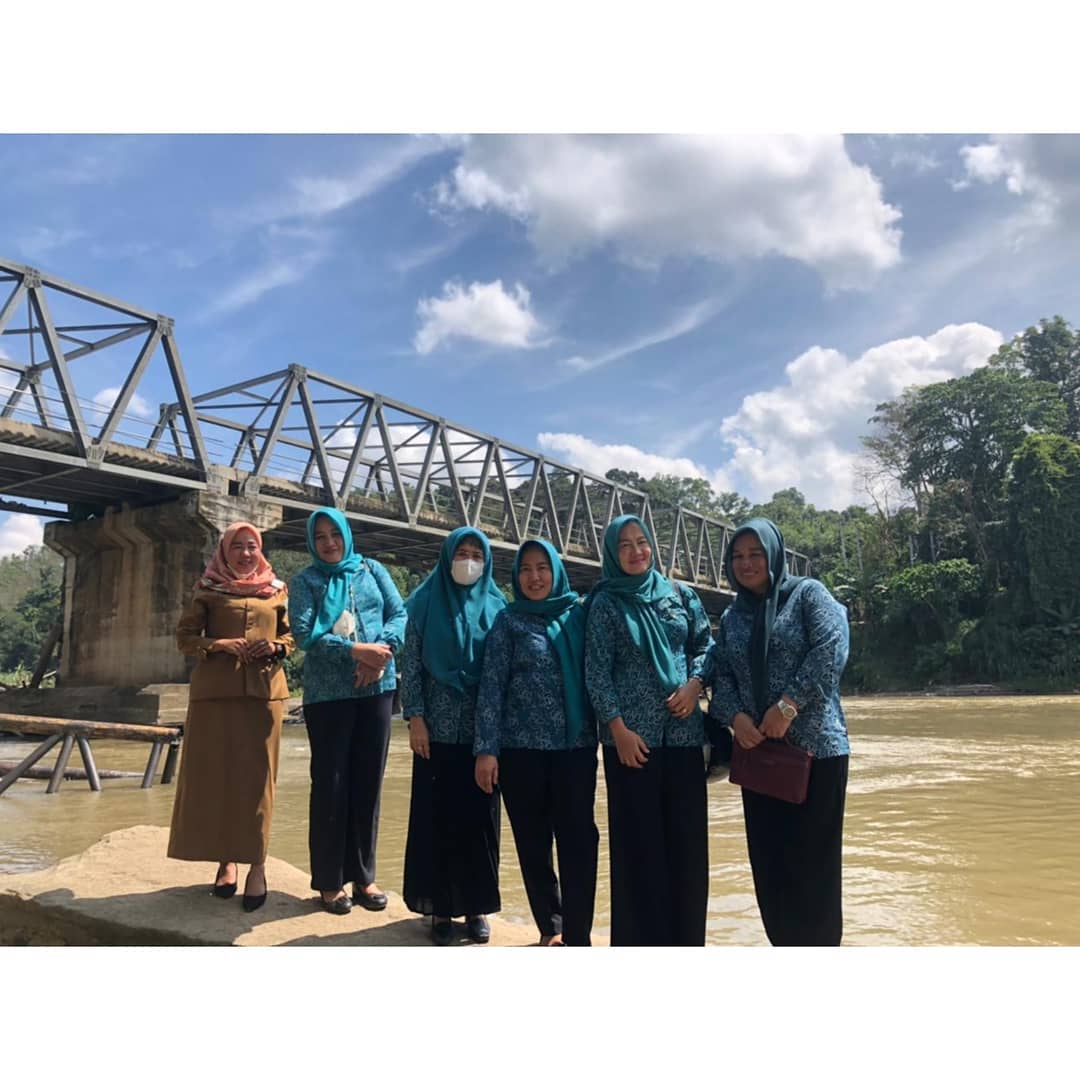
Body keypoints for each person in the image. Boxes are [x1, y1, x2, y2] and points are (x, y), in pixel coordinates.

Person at [709, 517, 850, 946]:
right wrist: (735, 717)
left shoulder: (807, 595)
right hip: (759, 754)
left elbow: (832, 648)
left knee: (814, 867)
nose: (747, 563)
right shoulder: (733, 616)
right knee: (770, 865)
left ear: (774, 555)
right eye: (738, 556)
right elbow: (721, 673)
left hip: (816, 752)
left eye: (756, 554)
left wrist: (788, 706)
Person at [584, 514, 713, 946]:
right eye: (625, 545)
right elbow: (596, 671)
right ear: (612, 553)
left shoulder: (680, 595)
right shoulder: (605, 603)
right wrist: (617, 728)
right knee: (638, 850)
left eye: (642, 542)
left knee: (687, 848)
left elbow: (705, 647)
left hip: (683, 737)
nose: (636, 551)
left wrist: (695, 685)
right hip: (631, 744)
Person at [474, 538, 598, 947]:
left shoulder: (580, 615)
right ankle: (551, 926)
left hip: (575, 749)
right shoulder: (508, 621)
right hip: (520, 751)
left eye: (542, 567)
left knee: (579, 841)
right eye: (525, 569)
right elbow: (492, 687)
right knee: (532, 843)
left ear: (556, 571)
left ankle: (578, 934)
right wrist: (486, 750)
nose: (534, 577)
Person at [168, 521, 293, 912]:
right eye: (237, 546)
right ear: (224, 551)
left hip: (264, 696)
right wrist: (218, 644)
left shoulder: (277, 590)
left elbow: (291, 638)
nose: (245, 553)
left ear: (260, 550)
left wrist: (275, 647)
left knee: (259, 782)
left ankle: (258, 865)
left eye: (251, 546)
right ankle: (227, 861)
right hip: (215, 696)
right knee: (219, 778)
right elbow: (184, 638)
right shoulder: (208, 588)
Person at [288, 508, 407, 915]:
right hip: (328, 697)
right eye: (320, 536)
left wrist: (380, 654)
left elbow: (399, 614)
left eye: (334, 534)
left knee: (368, 783)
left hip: (378, 689)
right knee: (331, 785)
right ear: (312, 541)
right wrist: (357, 651)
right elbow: (305, 634)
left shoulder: (371, 570)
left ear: (346, 535)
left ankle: (364, 877)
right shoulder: (306, 581)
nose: (329, 543)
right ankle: (329, 880)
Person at [401, 527, 506, 945]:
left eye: (476, 554)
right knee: (436, 819)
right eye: (461, 553)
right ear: (446, 558)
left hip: (484, 734)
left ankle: (477, 907)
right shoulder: (423, 603)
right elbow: (411, 667)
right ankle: (441, 908)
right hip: (435, 731)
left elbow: (500, 677)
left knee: (480, 821)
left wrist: (492, 738)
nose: (468, 561)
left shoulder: (499, 609)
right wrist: (415, 718)